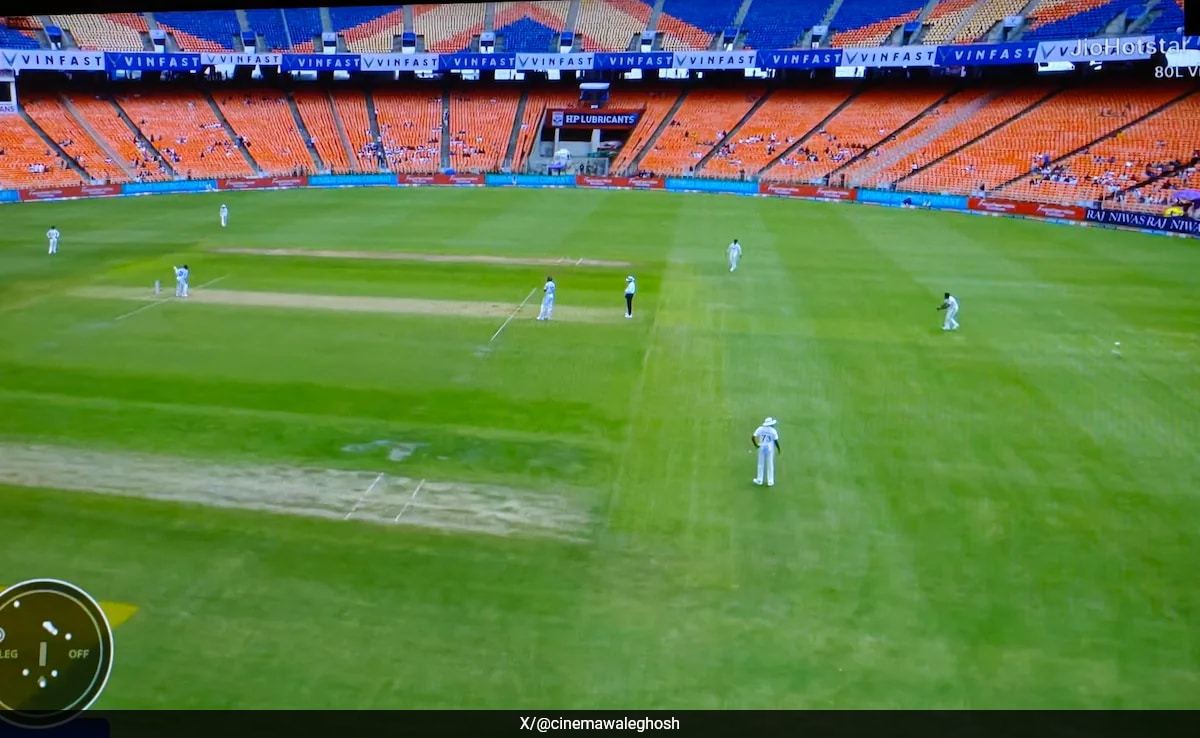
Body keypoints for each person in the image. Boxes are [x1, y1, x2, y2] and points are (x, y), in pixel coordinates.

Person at [751, 417, 780, 487]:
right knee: (770, 464)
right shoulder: (773, 430)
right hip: (770, 449)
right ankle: (770, 481)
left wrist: (756, 445)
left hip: (762, 447)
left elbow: (753, 436)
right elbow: (776, 441)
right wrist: (778, 449)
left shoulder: (760, 429)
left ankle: (759, 480)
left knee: (760, 464)